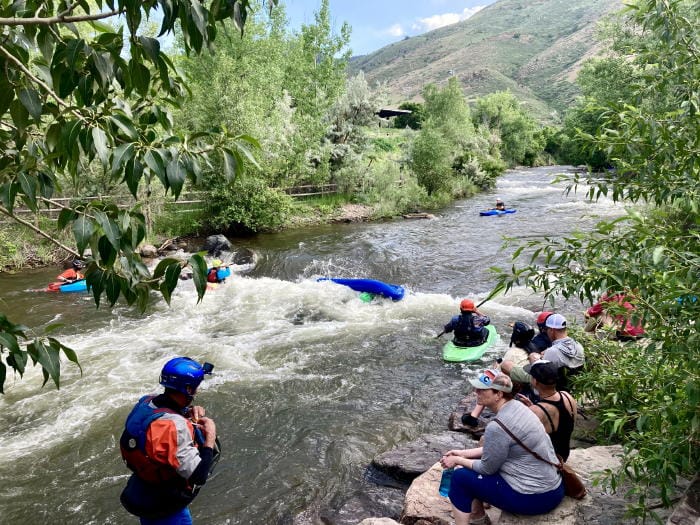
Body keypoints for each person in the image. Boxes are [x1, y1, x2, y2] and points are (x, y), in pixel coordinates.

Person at [441, 370, 564, 525]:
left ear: (498, 394)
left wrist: (458, 460)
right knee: (470, 468)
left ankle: (475, 520)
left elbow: (486, 469)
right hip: (554, 488)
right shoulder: (519, 407)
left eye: (481, 389)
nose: (476, 392)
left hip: (533, 498)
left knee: (459, 477)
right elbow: (497, 450)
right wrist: (463, 453)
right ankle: (477, 517)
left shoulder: (497, 427)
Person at [120, 357, 218, 524]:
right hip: (167, 507)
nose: (196, 392)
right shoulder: (175, 426)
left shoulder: (146, 402)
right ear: (187, 388)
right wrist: (210, 436)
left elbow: (160, 420)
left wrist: (187, 411)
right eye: (194, 388)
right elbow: (198, 476)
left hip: (145, 492)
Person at [461, 321, 533, 428]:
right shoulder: (533, 348)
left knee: (489, 377)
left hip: (514, 388)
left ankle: (474, 416)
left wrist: (496, 367)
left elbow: (499, 374)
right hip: (526, 385)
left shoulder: (513, 352)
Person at [503, 313, 585, 391]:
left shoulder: (552, 352)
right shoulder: (578, 346)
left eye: (547, 329)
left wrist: (534, 359)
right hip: (569, 384)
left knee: (506, 365)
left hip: (549, 385)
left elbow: (539, 372)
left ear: (552, 330)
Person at [517, 360, 577, 461]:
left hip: (548, 461)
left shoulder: (537, 411)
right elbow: (561, 426)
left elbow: (520, 440)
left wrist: (531, 410)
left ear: (535, 382)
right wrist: (534, 407)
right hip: (563, 455)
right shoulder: (567, 396)